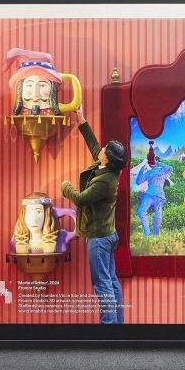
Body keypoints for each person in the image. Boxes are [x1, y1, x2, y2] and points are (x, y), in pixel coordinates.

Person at [60, 107, 127, 324]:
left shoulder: (105, 181)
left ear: (107, 158)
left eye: (106, 149)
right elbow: (95, 146)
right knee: (111, 281)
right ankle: (117, 325)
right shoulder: (109, 167)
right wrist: (81, 121)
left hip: (99, 239)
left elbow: (80, 199)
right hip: (108, 235)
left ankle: (108, 326)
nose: (102, 148)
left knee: (102, 284)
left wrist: (66, 187)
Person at [135, 158, 173, 236]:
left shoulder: (162, 170)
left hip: (156, 195)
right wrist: (142, 168)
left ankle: (153, 234)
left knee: (155, 213)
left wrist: (157, 163)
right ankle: (149, 234)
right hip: (152, 195)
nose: (150, 162)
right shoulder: (150, 172)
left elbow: (170, 168)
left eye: (152, 160)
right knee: (143, 211)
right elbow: (138, 182)